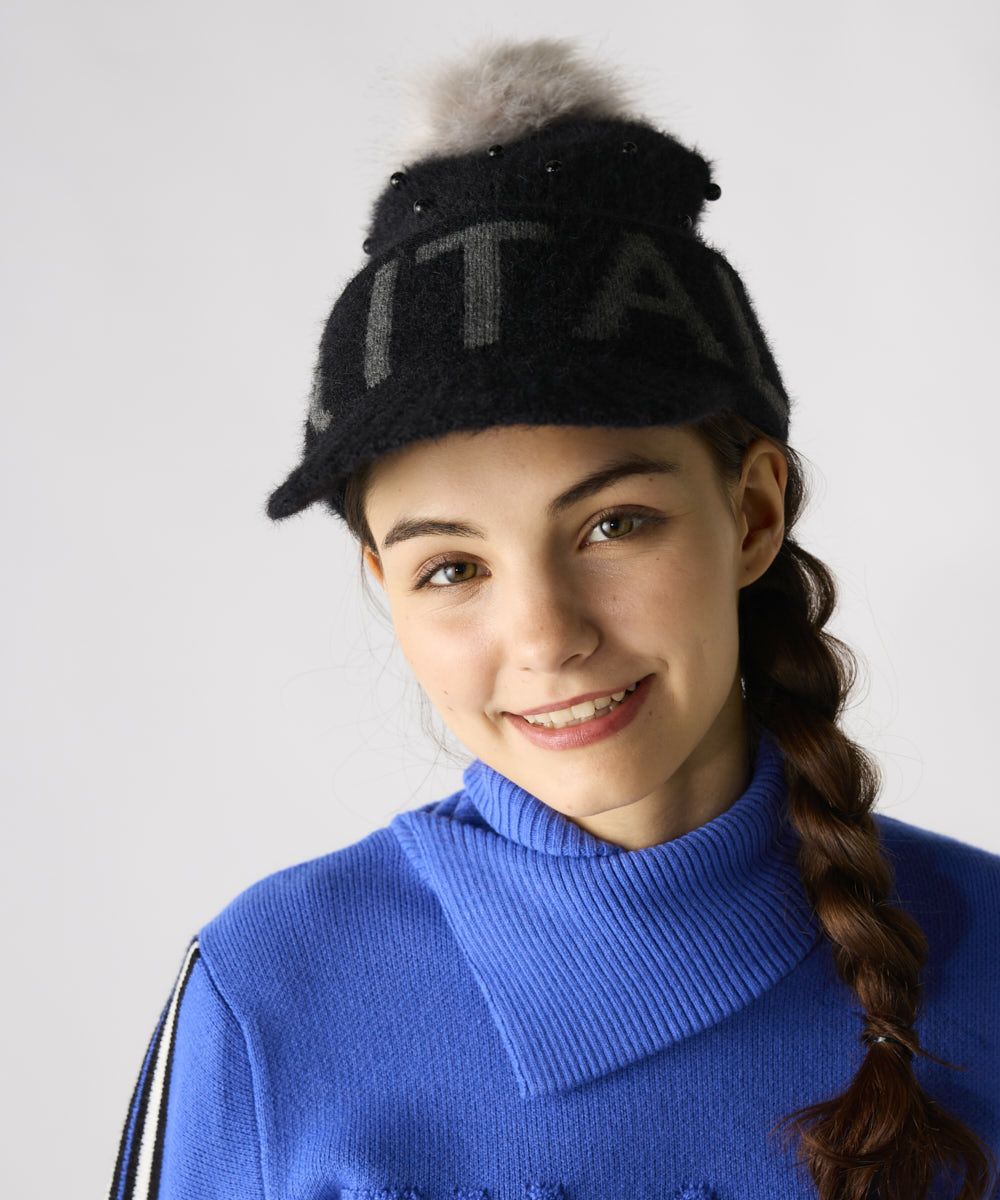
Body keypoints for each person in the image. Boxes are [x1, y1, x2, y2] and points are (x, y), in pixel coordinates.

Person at [106, 35, 1000, 1200]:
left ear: (750, 512)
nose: (544, 636)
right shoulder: (265, 994)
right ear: (384, 585)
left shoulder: (985, 946)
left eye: (612, 525)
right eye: (450, 568)